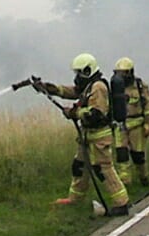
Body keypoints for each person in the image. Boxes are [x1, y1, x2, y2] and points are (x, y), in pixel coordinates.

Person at [31, 53, 130, 216]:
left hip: (99, 136)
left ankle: (122, 203)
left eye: (79, 73)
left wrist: (74, 113)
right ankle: (75, 199)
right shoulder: (89, 85)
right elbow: (72, 92)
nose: (77, 77)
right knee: (79, 166)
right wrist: (49, 88)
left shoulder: (98, 87)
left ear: (88, 70)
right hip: (87, 135)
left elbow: (96, 113)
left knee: (104, 169)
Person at [113, 57, 149, 185]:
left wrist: (148, 124)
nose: (121, 76)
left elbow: (148, 106)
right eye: (118, 73)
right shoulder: (114, 88)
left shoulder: (140, 86)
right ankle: (125, 181)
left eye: (124, 72)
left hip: (137, 124)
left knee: (138, 155)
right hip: (120, 125)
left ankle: (144, 177)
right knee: (121, 154)